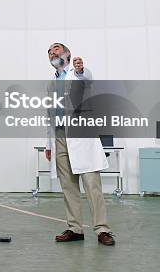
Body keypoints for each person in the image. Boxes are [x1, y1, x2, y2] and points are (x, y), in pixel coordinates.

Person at [44, 42, 115, 246]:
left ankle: (102, 229)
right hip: (59, 135)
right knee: (68, 185)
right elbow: (48, 115)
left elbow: (87, 78)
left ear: (67, 54)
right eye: (49, 51)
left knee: (92, 184)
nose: (52, 52)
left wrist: (81, 69)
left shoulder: (77, 74)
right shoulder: (51, 83)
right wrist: (48, 144)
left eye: (56, 48)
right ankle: (74, 228)